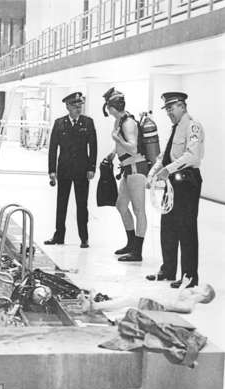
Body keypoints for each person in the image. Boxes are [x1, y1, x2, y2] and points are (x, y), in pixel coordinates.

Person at [146, 92, 204, 288]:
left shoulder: (193, 126)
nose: (169, 112)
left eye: (171, 108)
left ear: (182, 106)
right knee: (168, 227)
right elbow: (165, 155)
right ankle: (168, 269)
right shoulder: (176, 128)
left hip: (187, 181)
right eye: (167, 109)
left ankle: (189, 276)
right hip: (173, 183)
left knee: (186, 230)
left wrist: (167, 170)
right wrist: (153, 173)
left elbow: (191, 155)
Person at [44, 92, 97, 248]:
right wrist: (52, 171)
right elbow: (53, 148)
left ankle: (84, 238)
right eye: (74, 106)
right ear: (67, 106)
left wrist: (92, 167)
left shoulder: (88, 123)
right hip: (64, 169)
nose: (78, 108)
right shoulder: (59, 123)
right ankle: (59, 235)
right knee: (61, 204)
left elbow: (93, 147)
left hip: (82, 170)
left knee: (82, 205)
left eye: (80, 105)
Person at [104, 88, 148, 262]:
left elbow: (133, 147)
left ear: (111, 107)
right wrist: (113, 153)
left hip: (136, 168)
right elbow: (122, 144)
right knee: (121, 205)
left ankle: (137, 251)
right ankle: (131, 243)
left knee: (139, 210)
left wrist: (117, 140)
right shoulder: (120, 120)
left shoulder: (128, 122)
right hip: (127, 169)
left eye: (108, 106)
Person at [80, 275, 215, 315]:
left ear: (204, 293)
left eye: (200, 287)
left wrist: (182, 291)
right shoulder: (188, 299)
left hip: (156, 305)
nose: (196, 286)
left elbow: (177, 306)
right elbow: (176, 300)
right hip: (156, 301)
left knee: (127, 300)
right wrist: (183, 286)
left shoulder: (190, 305)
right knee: (127, 298)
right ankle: (97, 300)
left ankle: (94, 306)